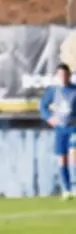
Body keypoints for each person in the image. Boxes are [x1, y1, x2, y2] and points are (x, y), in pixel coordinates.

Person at [39, 63, 76, 199]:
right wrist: (49, 117)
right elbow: (42, 106)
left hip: (74, 128)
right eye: (60, 75)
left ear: (69, 76)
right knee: (62, 159)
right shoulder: (53, 91)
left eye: (65, 75)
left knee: (74, 155)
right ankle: (66, 189)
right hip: (60, 129)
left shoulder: (74, 90)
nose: (63, 77)